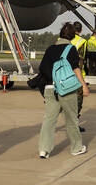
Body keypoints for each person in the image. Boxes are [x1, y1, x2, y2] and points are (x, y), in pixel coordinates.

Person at [37, 22, 90, 158]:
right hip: (66, 89)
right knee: (71, 119)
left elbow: (42, 68)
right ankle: (76, 148)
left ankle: (44, 149)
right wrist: (83, 85)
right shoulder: (71, 49)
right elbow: (76, 68)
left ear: (60, 35)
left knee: (49, 119)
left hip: (50, 88)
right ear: (72, 36)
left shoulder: (50, 49)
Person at [70, 21, 88, 131]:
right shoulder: (82, 42)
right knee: (78, 102)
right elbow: (82, 59)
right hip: (76, 76)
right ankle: (74, 125)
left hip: (63, 75)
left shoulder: (61, 40)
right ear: (80, 30)